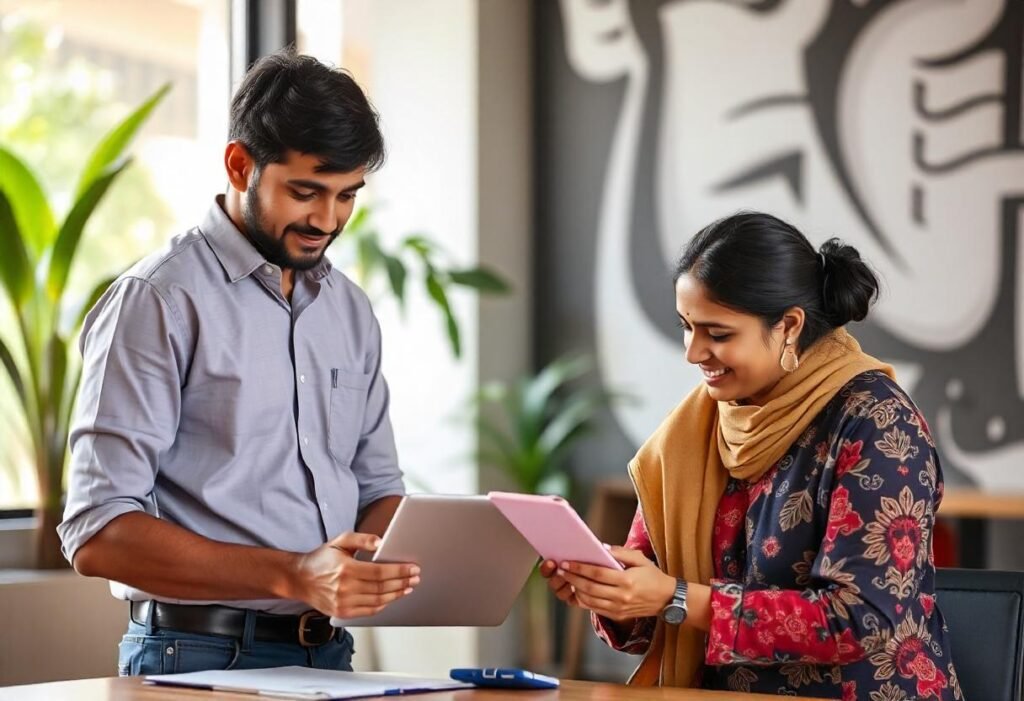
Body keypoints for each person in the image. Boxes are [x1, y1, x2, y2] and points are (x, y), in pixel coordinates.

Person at [58, 49, 419, 676]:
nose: (327, 221)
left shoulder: (350, 310)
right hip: (196, 655)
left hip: (329, 653)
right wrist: (297, 574)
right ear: (239, 164)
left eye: (346, 197)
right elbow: (97, 531)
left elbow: (379, 488)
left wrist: (385, 563)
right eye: (305, 192)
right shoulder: (158, 302)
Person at [542, 212, 961, 699]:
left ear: (788, 326)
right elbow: (649, 609)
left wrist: (678, 597)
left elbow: (861, 620)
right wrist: (614, 594)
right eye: (686, 327)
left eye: (717, 334)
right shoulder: (695, 430)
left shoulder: (877, 423)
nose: (693, 352)